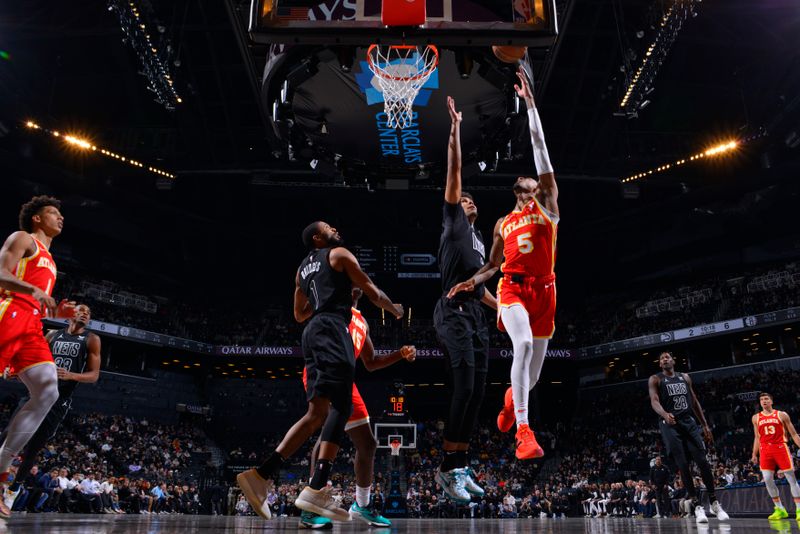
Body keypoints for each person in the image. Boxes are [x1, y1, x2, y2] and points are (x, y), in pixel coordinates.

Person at [237, 221, 403, 523]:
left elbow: (299, 314)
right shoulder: (338, 254)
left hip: (312, 333)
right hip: (331, 329)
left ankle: (261, 475)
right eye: (328, 227)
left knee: (318, 415)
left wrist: (323, 303)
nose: (335, 229)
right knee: (340, 405)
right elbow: (371, 289)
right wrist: (394, 309)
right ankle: (315, 489)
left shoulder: (301, 270)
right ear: (317, 237)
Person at [449, 67, 557, 460]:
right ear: (518, 191)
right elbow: (493, 265)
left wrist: (530, 106)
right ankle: (524, 433)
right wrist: (470, 281)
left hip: (546, 290)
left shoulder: (548, 210)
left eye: (536, 183)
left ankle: (513, 403)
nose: (531, 185)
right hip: (512, 288)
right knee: (523, 344)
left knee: (534, 376)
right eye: (526, 184)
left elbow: (541, 151)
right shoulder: (502, 223)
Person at [301, 286, 416, 529]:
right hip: (325, 371)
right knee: (328, 436)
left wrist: (400, 354)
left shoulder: (362, 320)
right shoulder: (331, 306)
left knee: (368, 444)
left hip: (346, 381)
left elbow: (371, 362)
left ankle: (361, 506)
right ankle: (310, 508)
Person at [432, 96, 497, 503]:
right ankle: (445, 468)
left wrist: (504, 310)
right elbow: (454, 170)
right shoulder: (454, 221)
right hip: (451, 311)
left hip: (475, 313)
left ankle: (460, 463)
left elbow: (484, 287)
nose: (468, 200)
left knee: (479, 390)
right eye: (465, 198)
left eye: (473, 200)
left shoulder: (479, 241)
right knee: (465, 383)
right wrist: (455, 129)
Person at [0, 196, 75, 517]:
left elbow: (37, 293)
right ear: (36, 219)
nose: (60, 218)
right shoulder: (22, 239)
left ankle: (2, 468)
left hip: (32, 323)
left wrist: (55, 308)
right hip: (8, 311)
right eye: (53, 213)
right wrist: (32, 292)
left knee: (48, 390)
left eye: (60, 214)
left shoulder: (51, 258)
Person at [3, 303, 101, 509]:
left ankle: (14, 490)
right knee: (8, 434)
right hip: (37, 393)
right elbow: (32, 359)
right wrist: (15, 370)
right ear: (71, 315)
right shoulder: (52, 335)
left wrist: (71, 375)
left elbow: (94, 375)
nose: (85, 313)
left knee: (33, 447)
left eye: (88, 312)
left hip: (60, 400)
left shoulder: (92, 339)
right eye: (81, 310)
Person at [648, 351, 729, 523]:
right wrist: (664, 414)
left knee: (703, 461)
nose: (664, 359)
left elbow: (694, 401)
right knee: (683, 464)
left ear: (673, 360)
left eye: (667, 357)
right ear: (660, 364)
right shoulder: (655, 379)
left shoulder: (685, 377)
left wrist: (705, 425)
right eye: (661, 358)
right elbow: (654, 400)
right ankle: (697, 505)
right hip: (670, 424)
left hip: (688, 421)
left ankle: (714, 502)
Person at [750, 392, 800, 520]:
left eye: (766, 399)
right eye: (761, 399)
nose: (764, 401)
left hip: (780, 447)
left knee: (791, 478)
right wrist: (754, 453)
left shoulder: (781, 414)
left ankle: (799, 509)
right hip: (765, 450)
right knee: (767, 479)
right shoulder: (756, 417)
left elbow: (793, 434)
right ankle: (779, 509)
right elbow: (757, 437)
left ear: (771, 401)